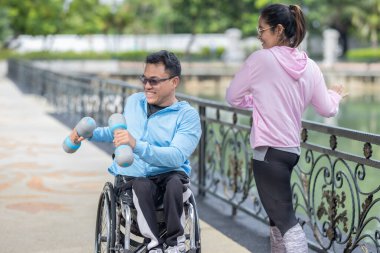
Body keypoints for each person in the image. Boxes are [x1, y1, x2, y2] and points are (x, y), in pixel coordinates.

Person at [225, 4, 346, 253]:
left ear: (279, 30)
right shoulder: (310, 66)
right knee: (277, 222)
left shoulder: (261, 60)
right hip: (291, 151)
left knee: (287, 223)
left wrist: (257, 100)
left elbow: (233, 96)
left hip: (268, 152)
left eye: (262, 31)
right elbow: (327, 109)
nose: (260, 37)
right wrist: (335, 95)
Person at [70, 50, 202, 253]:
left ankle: (176, 243)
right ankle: (154, 244)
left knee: (175, 184)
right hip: (134, 177)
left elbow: (176, 156)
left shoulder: (187, 116)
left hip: (171, 175)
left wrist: (136, 145)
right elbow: (117, 132)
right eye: (145, 79)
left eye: (154, 81)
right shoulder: (134, 102)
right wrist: (88, 134)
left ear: (174, 82)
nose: (147, 86)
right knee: (140, 186)